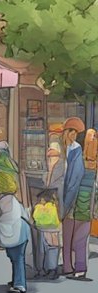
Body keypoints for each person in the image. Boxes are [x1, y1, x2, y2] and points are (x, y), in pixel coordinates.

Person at [58, 117, 90, 280]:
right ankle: (74, 267)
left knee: (69, 234)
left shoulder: (75, 150)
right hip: (81, 201)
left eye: (77, 133)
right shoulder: (67, 150)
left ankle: (69, 267)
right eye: (73, 132)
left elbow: (73, 181)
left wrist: (65, 203)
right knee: (76, 236)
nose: (75, 136)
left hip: (72, 200)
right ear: (67, 132)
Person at [0, 190, 31, 293]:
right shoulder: (16, 202)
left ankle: (19, 284)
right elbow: (26, 216)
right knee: (16, 258)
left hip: (14, 234)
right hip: (22, 232)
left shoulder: (0, 204)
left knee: (16, 258)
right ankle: (17, 280)